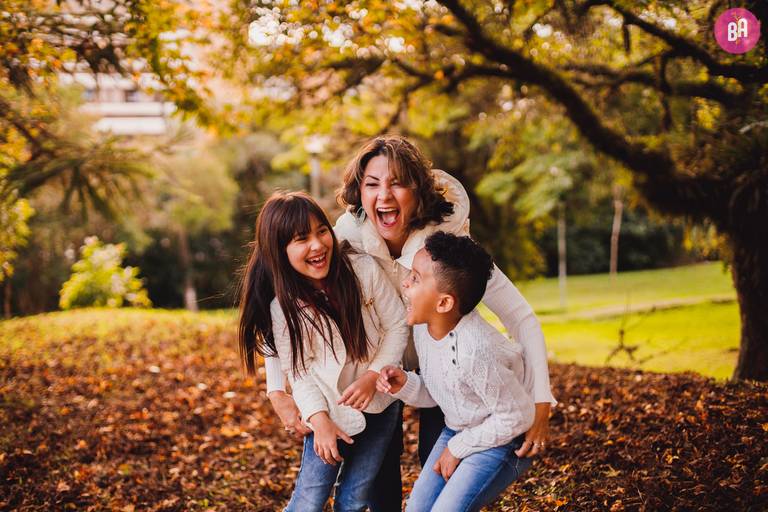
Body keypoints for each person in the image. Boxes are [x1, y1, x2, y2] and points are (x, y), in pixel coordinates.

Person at [263, 136, 556, 510]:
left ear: (418, 191)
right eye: (372, 184)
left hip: (450, 366)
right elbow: (282, 303)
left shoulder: (450, 252)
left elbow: (521, 317)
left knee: (446, 472)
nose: (384, 195)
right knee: (377, 482)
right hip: (385, 374)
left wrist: (540, 400)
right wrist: (277, 390)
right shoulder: (345, 241)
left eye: (397, 182)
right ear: (360, 192)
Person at [237, 191, 409, 511]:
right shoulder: (284, 308)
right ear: (280, 251)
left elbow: (398, 325)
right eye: (302, 239)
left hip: (380, 405)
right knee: (310, 496)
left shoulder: (362, 271)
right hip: (327, 409)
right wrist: (319, 420)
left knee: (354, 497)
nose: (317, 245)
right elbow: (299, 374)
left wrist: (373, 376)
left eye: (321, 231)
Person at [378, 231, 535, 511]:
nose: (405, 283)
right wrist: (406, 385)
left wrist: (458, 449)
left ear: (444, 303)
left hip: (505, 440)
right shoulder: (426, 329)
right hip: (459, 430)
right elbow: (444, 390)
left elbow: (517, 416)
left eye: (415, 278)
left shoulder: (475, 350)